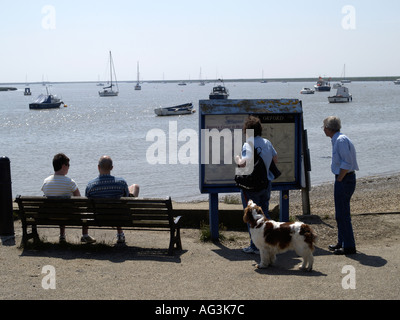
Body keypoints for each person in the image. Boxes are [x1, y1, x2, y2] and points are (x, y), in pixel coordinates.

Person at [236, 116, 278, 254]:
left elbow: (243, 164)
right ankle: (268, 243)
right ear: (260, 129)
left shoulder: (247, 144)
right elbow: (275, 159)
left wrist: (237, 159)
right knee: (264, 214)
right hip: (266, 183)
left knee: (252, 217)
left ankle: (255, 247)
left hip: (251, 187)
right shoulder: (267, 142)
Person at [323, 116, 359, 255]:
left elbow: (347, 162)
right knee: (340, 213)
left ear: (328, 128)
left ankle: (349, 246)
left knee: (343, 213)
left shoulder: (340, 140)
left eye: (324, 127)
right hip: (343, 178)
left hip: (344, 179)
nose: (323, 130)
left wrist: (340, 179)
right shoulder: (337, 139)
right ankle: (342, 242)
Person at [41, 153, 96, 244]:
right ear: (63, 166)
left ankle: (62, 236)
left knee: (59, 206)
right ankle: (85, 235)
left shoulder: (46, 181)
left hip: (50, 215)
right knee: (81, 209)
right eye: (68, 165)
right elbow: (80, 200)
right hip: (69, 215)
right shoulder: (70, 182)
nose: (69, 167)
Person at [85, 156, 140, 244]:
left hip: (99, 217)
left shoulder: (90, 185)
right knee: (134, 187)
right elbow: (126, 200)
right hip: (119, 216)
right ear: (112, 168)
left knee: (115, 205)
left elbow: (88, 205)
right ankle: (120, 234)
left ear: (98, 167)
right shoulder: (121, 182)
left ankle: (85, 235)